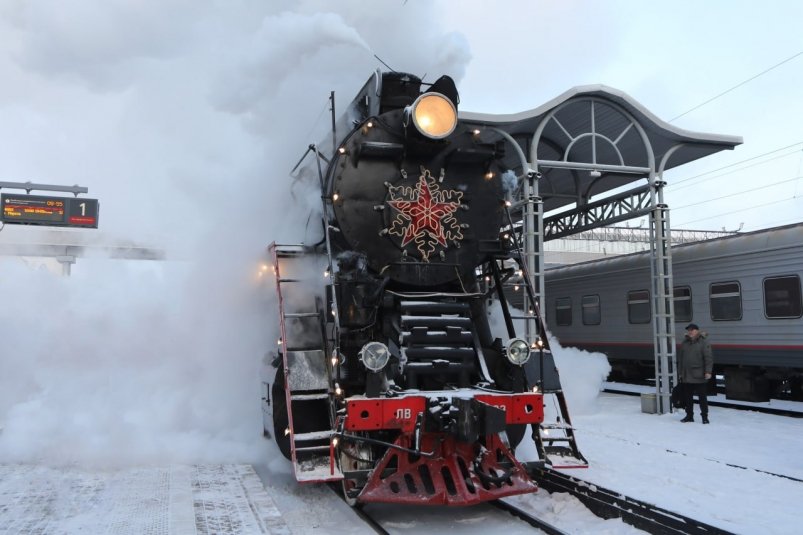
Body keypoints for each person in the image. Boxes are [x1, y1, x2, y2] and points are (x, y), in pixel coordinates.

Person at [677, 323, 713, 424]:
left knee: (702, 398)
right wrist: (680, 372)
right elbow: (681, 359)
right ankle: (689, 416)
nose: (690, 332)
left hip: (699, 375)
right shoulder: (685, 342)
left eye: (692, 330)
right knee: (688, 397)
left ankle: (704, 417)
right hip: (687, 375)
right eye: (689, 330)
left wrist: (708, 371)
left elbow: (708, 358)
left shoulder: (703, 342)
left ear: (697, 331)